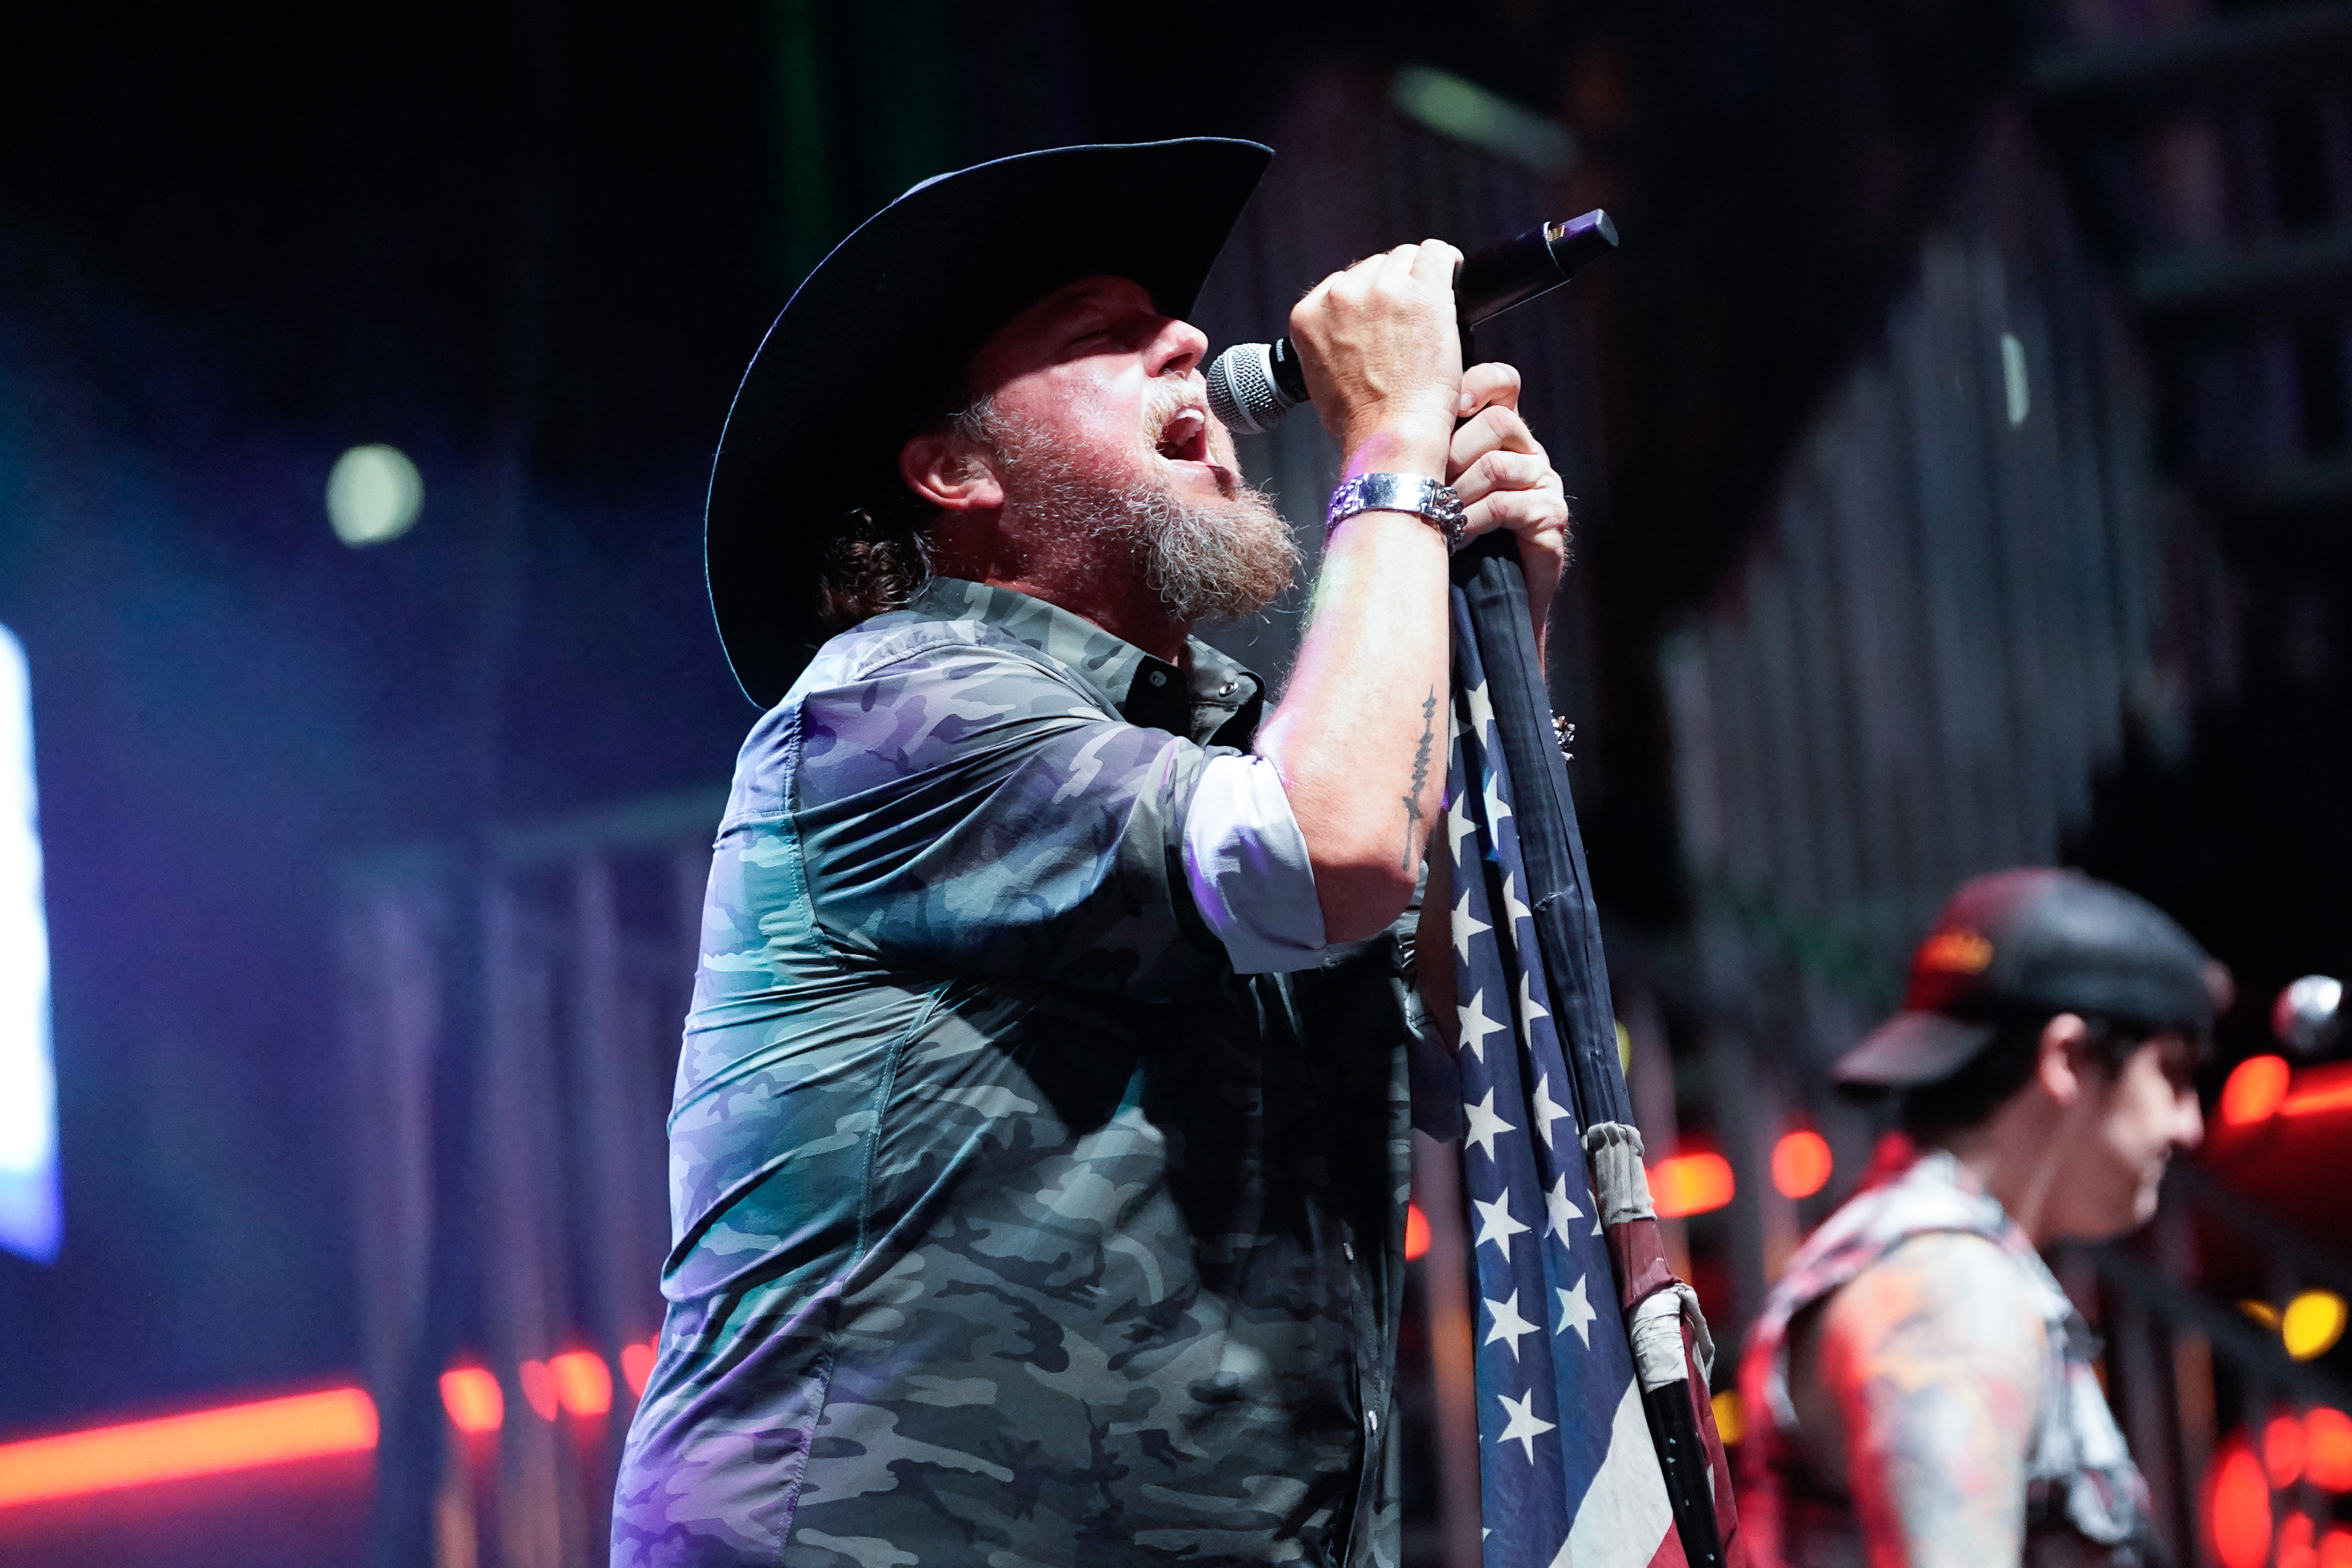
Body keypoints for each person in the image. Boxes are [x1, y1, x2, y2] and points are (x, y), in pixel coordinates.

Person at [610, 138, 1571, 1567]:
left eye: (1166, 318)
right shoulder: (892, 705)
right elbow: (1329, 850)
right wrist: (1386, 466)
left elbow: (1468, 1037)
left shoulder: (1242, 747)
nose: (1188, 336)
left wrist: (1504, 641)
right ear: (950, 467)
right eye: (1101, 337)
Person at [1738, 868, 2221, 1568]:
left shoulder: (1931, 1262)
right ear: (2066, 1058)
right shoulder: (1947, 1287)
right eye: (2173, 1074)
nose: (2190, 1125)